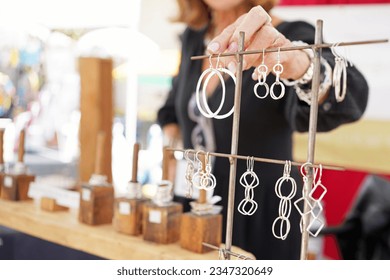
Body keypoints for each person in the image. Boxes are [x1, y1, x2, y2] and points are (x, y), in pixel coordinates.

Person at [157, 0, 369, 259]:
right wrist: (170, 152)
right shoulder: (195, 37)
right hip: (196, 201)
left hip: (260, 210)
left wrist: (300, 65)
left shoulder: (289, 34)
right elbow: (172, 106)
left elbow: (350, 97)